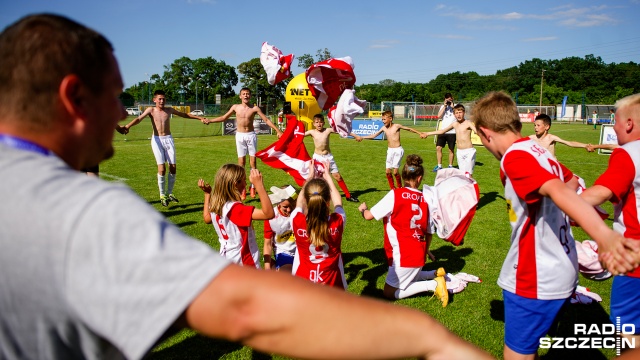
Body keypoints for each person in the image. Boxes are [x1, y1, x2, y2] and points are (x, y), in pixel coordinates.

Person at [0, 14, 494, 360]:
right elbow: (243, 306)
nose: (121, 114)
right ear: (73, 97)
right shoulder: (85, 211)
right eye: (114, 96)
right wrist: (427, 339)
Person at [471, 91, 640, 360]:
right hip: (563, 266)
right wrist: (578, 210)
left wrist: (604, 236)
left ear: (484, 133)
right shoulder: (539, 150)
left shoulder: (514, 157)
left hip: (534, 274)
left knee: (518, 355)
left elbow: (557, 189)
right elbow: (572, 183)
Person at [580, 93, 640, 345]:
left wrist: (556, 206)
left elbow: (600, 193)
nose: (613, 127)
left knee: (627, 333)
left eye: (615, 121)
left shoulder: (629, 153)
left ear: (628, 123)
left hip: (634, 258)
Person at [358, 155, 448, 306]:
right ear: (419, 179)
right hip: (418, 253)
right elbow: (429, 231)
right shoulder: (427, 199)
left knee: (389, 292)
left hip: (403, 255)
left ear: (403, 176)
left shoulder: (395, 194)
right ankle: (434, 273)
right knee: (408, 275)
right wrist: (426, 250)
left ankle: (433, 284)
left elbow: (368, 216)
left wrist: (363, 209)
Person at [124, 90, 207, 207]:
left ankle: (170, 193)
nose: (162, 101)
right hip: (157, 140)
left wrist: (199, 118)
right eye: (159, 99)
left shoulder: (169, 110)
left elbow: (184, 114)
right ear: (154, 100)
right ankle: (162, 195)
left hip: (169, 139)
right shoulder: (150, 110)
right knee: (162, 169)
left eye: (163, 99)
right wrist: (128, 126)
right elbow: (139, 119)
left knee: (173, 167)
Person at [205, 88, 283, 199]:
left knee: (253, 162)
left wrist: (278, 130)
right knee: (241, 163)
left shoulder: (254, 108)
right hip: (240, 136)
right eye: (243, 94)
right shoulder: (235, 107)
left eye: (247, 94)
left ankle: (252, 186)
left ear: (250, 96)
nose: (246, 95)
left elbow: (266, 120)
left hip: (251, 135)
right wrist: (210, 120)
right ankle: (242, 188)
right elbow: (223, 117)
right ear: (240, 96)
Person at [197, 165, 274, 268]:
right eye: (243, 180)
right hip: (244, 262)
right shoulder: (235, 209)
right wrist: (259, 185)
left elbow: (207, 218)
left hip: (226, 260)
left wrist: (207, 194)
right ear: (235, 184)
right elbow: (268, 214)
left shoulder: (218, 205)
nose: (246, 183)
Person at [291, 162, 348, 288]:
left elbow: (299, 203)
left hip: (302, 284)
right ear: (328, 201)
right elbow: (338, 203)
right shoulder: (337, 222)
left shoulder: (296, 220)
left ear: (307, 199)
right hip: (333, 284)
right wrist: (327, 176)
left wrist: (310, 176)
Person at [304, 113, 362, 202]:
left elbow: (343, 131)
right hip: (317, 158)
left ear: (323, 122)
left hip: (328, 157)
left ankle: (348, 195)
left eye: (320, 122)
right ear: (314, 123)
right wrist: (283, 135)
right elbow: (299, 135)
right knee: (317, 178)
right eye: (316, 122)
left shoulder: (328, 130)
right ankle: (314, 196)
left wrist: (356, 136)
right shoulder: (312, 132)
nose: (319, 124)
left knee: (337, 176)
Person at [361, 110, 424, 190]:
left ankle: (400, 188)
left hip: (398, 150)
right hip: (390, 150)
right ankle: (392, 189)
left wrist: (420, 133)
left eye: (384, 119)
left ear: (390, 119)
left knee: (395, 172)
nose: (383, 121)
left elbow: (409, 129)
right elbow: (374, 136)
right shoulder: (384, 128)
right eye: (382, 119)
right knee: (387, 171)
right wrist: (362, 137)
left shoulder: (396, 126)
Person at [422, 104, 478, 176]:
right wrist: (427, 133)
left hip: (469, 151)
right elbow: (442, 131)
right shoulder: (454, 124)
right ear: (454, 115)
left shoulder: (468, 123)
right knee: (462, 174)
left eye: (460, 112)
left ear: (464, 113)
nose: (458, 115)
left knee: (468, 174)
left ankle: (471, 187)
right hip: (460, 152)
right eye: (456, 113)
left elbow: (477, 131)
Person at [263, 185, 297, 271]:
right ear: (278, 203)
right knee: (288, 276)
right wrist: (267, 268)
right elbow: (267, 243)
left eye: (292, 205)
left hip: (302, 252)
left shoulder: (300, 211)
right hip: (284, 252)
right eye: (285, 207)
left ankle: (275, 267)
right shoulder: (272, 217)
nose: (289, 210)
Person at [433, 92, 457, 172]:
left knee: (451, 149)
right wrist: (444, 106)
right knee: (438, 147)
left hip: (452, 132)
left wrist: (453, 107)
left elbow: (458, 116)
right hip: (443, 131)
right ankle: (439, 165)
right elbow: (438, 116)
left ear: (452, 98)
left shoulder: (456, 107)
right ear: (445, 99)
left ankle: (450, 165)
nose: (449, 99)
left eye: (450, 98)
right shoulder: (443, 107)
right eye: (447, 98)